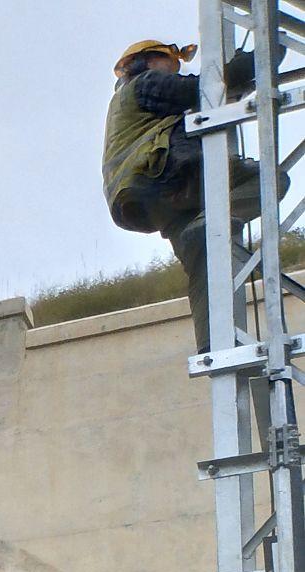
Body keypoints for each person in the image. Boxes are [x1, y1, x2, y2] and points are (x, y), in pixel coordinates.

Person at [103, 37, 273, 353]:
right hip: (164, 175)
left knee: (204, 258)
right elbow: (205, 89)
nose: (175, 69)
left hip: (143, 202)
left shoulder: (125, 107)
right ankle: (214, 216)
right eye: (171, 62)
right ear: (146, 61)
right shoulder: (145, 84)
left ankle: (215, 343)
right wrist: (255, 61)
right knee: (270, 180)